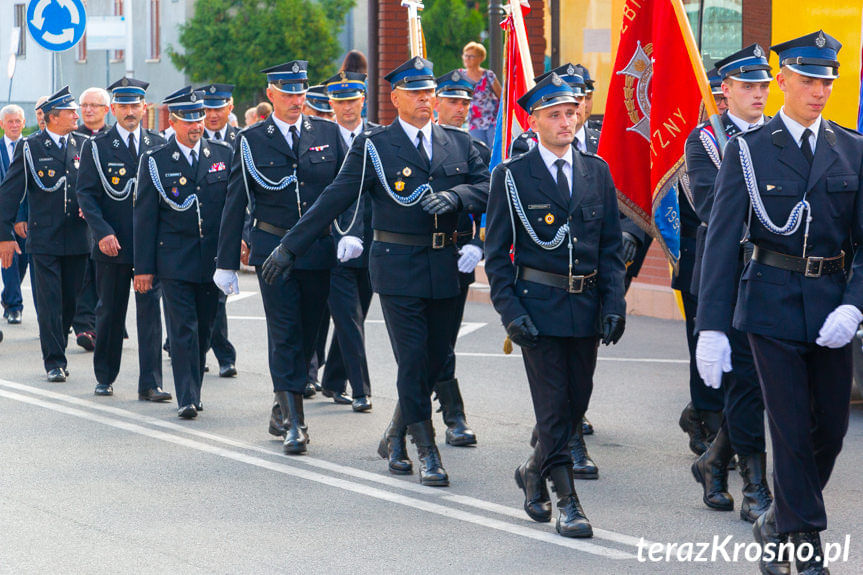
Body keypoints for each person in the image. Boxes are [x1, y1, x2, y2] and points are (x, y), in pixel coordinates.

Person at [262, 57, 489, 484]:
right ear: (395, 97)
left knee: (435, 359)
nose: (426, 99)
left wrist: (458, 196)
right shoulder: (375, 147)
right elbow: (334, 197)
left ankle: (396, 434)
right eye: (416, 93)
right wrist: (289, 247)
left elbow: (490, 186)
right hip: (399, 267)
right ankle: (428, 449)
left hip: (447, 266)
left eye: (429, 92)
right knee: (412, 358)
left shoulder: (458, 143)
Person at [696, 31, 862, 575]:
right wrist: (712, 327)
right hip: (769, 305)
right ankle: (806, 548)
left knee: (830, 432)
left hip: (831, 307)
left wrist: (855, 304)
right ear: (783, 80)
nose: (819, 91)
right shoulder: (747, 150)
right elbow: (721, 242)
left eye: (827, 82)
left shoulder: (852, 148)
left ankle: (778, 521)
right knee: (789, 429)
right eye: (809, 80)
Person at [485, 73, 626, 538]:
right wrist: (512, 313)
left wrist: (614, 303)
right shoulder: (511, 176)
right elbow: (497, 256)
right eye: (555, 115)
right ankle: (569, 502)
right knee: (553, 410)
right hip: (538, 308)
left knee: (574, 405)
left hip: (585, 307)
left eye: (571, 112)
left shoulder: (597, 171)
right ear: (534, 121)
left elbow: (609, 248)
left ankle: (532, 470)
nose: (566, 121)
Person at [214, 61, 345, 453]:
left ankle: (283, 401)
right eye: (287, 93)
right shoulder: (252, 139)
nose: (295, 100)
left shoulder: (328, 132)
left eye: (300, 92)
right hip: (273, 252)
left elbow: (344, 190)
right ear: (270, 95)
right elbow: (236, 201)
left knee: (308, 335)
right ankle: (295, 423)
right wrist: (225, 262)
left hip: (318, 251)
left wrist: (351, 234)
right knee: (285, 332)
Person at [685, 44, 773, 524]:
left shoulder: (778, 137)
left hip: (771, 273)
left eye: (763, 85)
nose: (758, 94)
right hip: (727, 273)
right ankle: (754, 484)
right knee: (745, 380)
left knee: (756, 381)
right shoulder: (704, 141)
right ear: (725, 92)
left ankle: (715, 460)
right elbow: (708, 206)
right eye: (748, 86)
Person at [134, 87, 232, 419]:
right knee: (182, 329)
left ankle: (195, 389)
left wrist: (238, 244)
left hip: (212, 260)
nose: (196, 125)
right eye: (188, 119)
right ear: (173, 121)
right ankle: (186, 397)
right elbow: (144, 219)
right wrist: (143, 268)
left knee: (205, 327)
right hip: (174, 261)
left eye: (199, 118)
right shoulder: (156, 161)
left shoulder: (222, 154)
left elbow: (236, 208)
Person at [75, 77, 171, 401]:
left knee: (150, 314)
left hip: (149, 245)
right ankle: (104, 375)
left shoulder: (158, 144)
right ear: (113, 108)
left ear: (145, 107)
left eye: (135, 105)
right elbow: (85, 194)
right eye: (124, 106)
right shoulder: (97, 146)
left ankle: (151, 383)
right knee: (110, 312)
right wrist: (101, 232)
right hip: (112, 244)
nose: (130, 112)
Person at [0, 87, 89, 382]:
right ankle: (54, 360)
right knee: (49, 301)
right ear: (53, 117)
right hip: (45, 239)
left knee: (69, 302)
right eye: (70, 112)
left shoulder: (85, 145)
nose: (76, 115)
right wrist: (5, 234)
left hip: (78, 238)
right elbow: (10, 193)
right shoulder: (31, 147)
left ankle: (58, 346)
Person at [429, 69, 487, 446]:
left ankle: (414, 422)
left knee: (443, 339)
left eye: (466, 102)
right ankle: (452, 414)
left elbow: (492, 200)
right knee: (424, 343)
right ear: (434, 102)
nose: (460, 109)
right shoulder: (418, 144)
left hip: (457, 255)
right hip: (416, 255)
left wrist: (478, 244)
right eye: (452, 101)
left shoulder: (475, 149)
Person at [317, 70, 375, 412]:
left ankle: (333, 379)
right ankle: (361, 389)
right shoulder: (320, 140)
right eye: (340, 102)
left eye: (352, 100)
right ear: (331, 104)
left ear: (363, 100)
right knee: (348, 317)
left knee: (357, 315)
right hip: (332, 245)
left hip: (371, 242)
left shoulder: (378, 138)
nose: (347, 108)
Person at [200, 83, 240, 378]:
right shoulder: (190, 137)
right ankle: (196, 349)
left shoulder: (242, 141)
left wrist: (245, 237)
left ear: (230, 107)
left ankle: (223, 354)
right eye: (207, 109)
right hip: (196, 233)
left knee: (218, 296)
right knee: (199, 296)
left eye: (218, 108)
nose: (212, 115)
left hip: (226, 233)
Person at [72, 87, 113, 352]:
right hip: (77, 220)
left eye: (94, 105)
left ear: (106, 110)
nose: (87, 110)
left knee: (106, 275)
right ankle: (85, 325)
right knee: (83, 274)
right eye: (84, 105)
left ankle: (107, 323)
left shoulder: (113, 139)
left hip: (108, 220)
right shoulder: (73, 137)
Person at [0, 104, 28, 325]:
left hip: (28, 217)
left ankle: (8, 295)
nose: (14, 125)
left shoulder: (30, 148)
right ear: (2, 124)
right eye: (10, 121)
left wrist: (23, 216)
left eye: (18, 121)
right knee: (9, 258)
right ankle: (13, 306)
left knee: (24, 260)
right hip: (3, 217)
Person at [461, 41, 501, 147]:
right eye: (466, 55)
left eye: (471, 56)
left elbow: (502, 97)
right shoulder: (460, 75)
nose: (467, 58)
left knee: (494, 151)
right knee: (479, 151)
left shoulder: (489, 75)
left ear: (480, 58)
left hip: (492, 121)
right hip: (474, 122)